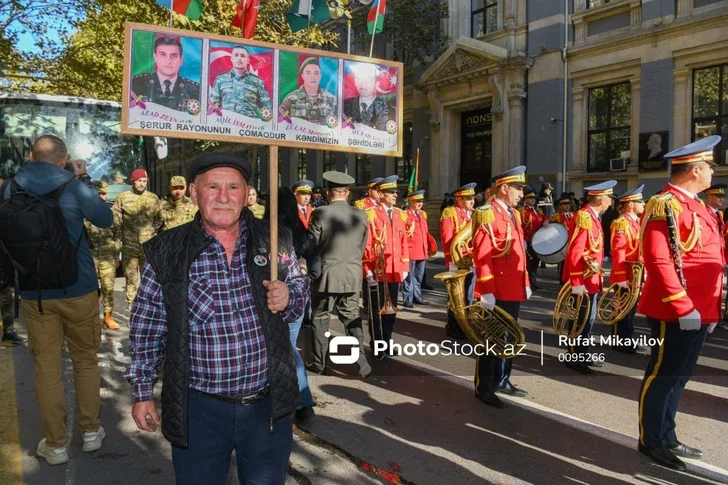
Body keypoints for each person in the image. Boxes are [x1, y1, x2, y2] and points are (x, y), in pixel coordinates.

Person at [125, 152, 309, 484]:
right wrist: (142, 391)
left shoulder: (274, 239)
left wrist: (288, 296)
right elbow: (147, 325)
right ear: (194, 193)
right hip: (199, 411)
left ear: (246, 193)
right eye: (212, 186)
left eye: (233, 187)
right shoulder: (167, 250)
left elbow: (298, 287)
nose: (223, 197)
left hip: (267, 408)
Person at [6, 135, 113, 464]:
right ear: (64, 159)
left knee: (47, 368)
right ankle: (91, 431)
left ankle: (54, 445)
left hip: (34, 293)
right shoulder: (74, 186)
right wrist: (82, 179)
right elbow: (105, 220)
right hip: (78, 287)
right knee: (84, 360)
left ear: (30, 155)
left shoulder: (9, 188)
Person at [637, 136, 723, 471]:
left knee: (679, 377)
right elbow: (659, 262)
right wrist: (683, 306)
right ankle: (651, 441)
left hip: (700, 310)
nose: (713, 174)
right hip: (676, 311)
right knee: (663, 376)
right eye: (710, 167)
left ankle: (667, 435)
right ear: (695, 169)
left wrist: (710, 307)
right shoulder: (665, 204)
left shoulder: (698, 205)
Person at [471, 166, 531, 408]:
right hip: (495, 289)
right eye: (517, 188)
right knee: (492, 340)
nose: (521, 193)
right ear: (504, 188)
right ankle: (483, 386)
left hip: (513, 286)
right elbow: (482, 255)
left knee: (510, 338)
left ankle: (502, 379)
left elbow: (518, 252)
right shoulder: (486, 212)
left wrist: (525, 281)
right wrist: (486, 290)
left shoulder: (513, 214)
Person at [309, 171, 372, 377]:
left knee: (320, 317)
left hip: (326, 276)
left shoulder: (320, 213)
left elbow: (312, 246)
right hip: (352, 274)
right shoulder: (361, 214)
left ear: (328, 192)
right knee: (352, 317)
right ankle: (362, 364)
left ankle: (320, 364)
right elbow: (362, 246)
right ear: (347, 193)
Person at [267, 186, 319, 421]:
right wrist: (304, 279)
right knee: (288, 347)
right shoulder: (301, 231)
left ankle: (300, 400)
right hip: (297, 299)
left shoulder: (264, 230)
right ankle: (300, 401)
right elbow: (316, 265)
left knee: (283, 348)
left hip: (274, 297)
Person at [561, 180, 617, 375]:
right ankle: (574, 356)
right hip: (582, 282)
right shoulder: (583, 217)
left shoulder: (593, 217)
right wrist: (576, 281)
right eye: (609, 197)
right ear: (600, 198)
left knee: (588, 320)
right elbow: (575, 253)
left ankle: (582, 353)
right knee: (580, 320)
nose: (611, 201)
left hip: (591, 279)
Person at [362, 175, 409, 358]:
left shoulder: (399, 214)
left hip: (395, 269)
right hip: (378, 270)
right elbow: (366, 244)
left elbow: (403, 241)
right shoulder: (371, 214)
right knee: (376, 311)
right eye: (390, 192)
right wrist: (367, 269)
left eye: (395, 192)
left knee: (391, 310)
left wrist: (405, 266)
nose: (395, 195)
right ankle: (378, 344)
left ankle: (388, 341)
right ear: (380, 194)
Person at [114, 168, 161, 307]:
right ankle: (132, 312)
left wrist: (150, 231)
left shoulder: (153, 198)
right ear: (133, 181)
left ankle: (147, 312)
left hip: (148, 247)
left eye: (144, 181)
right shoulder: (123, 197)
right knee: (131, 281)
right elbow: (116, 221)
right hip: (130, 247)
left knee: (149, 281)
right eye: (139, 181)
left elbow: (159, 220)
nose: (142, 183)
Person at [609, 185, 645, 354]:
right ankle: (621, 341)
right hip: (625, 274)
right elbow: (619, 252)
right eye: (640, 201)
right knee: (622, 309)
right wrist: (621, 277)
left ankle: (626, 339)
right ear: (630, 204)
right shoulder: (621, 223)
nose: (643, 204)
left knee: (630, 309)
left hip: (635, 274)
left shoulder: (636, 222)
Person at [440, 183, 476, 340]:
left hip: (472, 260)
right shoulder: (450, 213)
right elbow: (447, 239)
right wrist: (451, 261)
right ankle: (453, 326)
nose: (472, 201)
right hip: (457, 260)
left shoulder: (473, 214)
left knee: (468, 295)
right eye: (468, 199)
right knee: (456, 296)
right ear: (458, 199)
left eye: (472, 198)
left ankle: (465, 325)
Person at [85, 181, 122, 330]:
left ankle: (108, 317)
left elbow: (117, 235)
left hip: (108, 257)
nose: (101, 196)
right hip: (90, 258)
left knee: (108, 288)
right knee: (90, 289)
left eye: (104, 193)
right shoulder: (85, 213)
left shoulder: (113, 214)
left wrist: (117, 256)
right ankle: (91, 317)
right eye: (98, 193)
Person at [130, 36, 200, 113]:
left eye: (173, 56)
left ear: (181, 60)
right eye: (163, 55)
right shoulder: (134, 84)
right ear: (155, 58)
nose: (168, 61)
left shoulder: (195, 90)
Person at [209, 45, 272, 118]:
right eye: (236, 55)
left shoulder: (258, 82)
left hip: (250, 126)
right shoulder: (221, 79)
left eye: (242, 56)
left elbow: (267, 108)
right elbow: (213, 104)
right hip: (226, 123)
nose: (239, 58)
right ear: (231, 59)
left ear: (248, 60)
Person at [279, 57, 337, 125]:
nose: (313, 77)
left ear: (320, 76)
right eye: (308, 73)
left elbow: (338, 126)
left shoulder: (331, 100)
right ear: (303, 76)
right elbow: (279, 123)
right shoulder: (291, 98)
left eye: (316, 73)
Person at [403, 190, 430, 308]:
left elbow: (425, 233)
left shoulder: (423, 214)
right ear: (411, 201)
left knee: (419, 276)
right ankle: (408, 298)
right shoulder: (405, 214)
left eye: (421, 201)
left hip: (422, 250)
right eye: (418, 201)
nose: (420, 204)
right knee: (409, 277)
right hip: (410, 250)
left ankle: (417, 297)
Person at [519, 186, 549, 290]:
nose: (532, 200)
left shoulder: (538, 211)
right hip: (528, 240)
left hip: (538, 241)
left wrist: (546, 220)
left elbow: (545, 217)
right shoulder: (522, 211)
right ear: (526, 200)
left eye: (534, 198)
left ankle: (533, 281)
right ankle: (527, 283)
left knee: (535, 262)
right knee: (528, 263)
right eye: (530, 198)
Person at [343, 63, 389, 131]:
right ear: (355, 81)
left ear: (377, 84)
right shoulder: (343, 106)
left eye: (369, 80)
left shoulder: (387, 110)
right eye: (360, 78)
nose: (363, 83)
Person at [551, 194, 574, 284]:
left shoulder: (572, 215)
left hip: (571, 241)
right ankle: (562, 279)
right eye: (564, 204)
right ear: (560, 206)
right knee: (562, 262)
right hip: (562, 242)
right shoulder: (557, 216)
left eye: (568, 204)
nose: (567, 206)